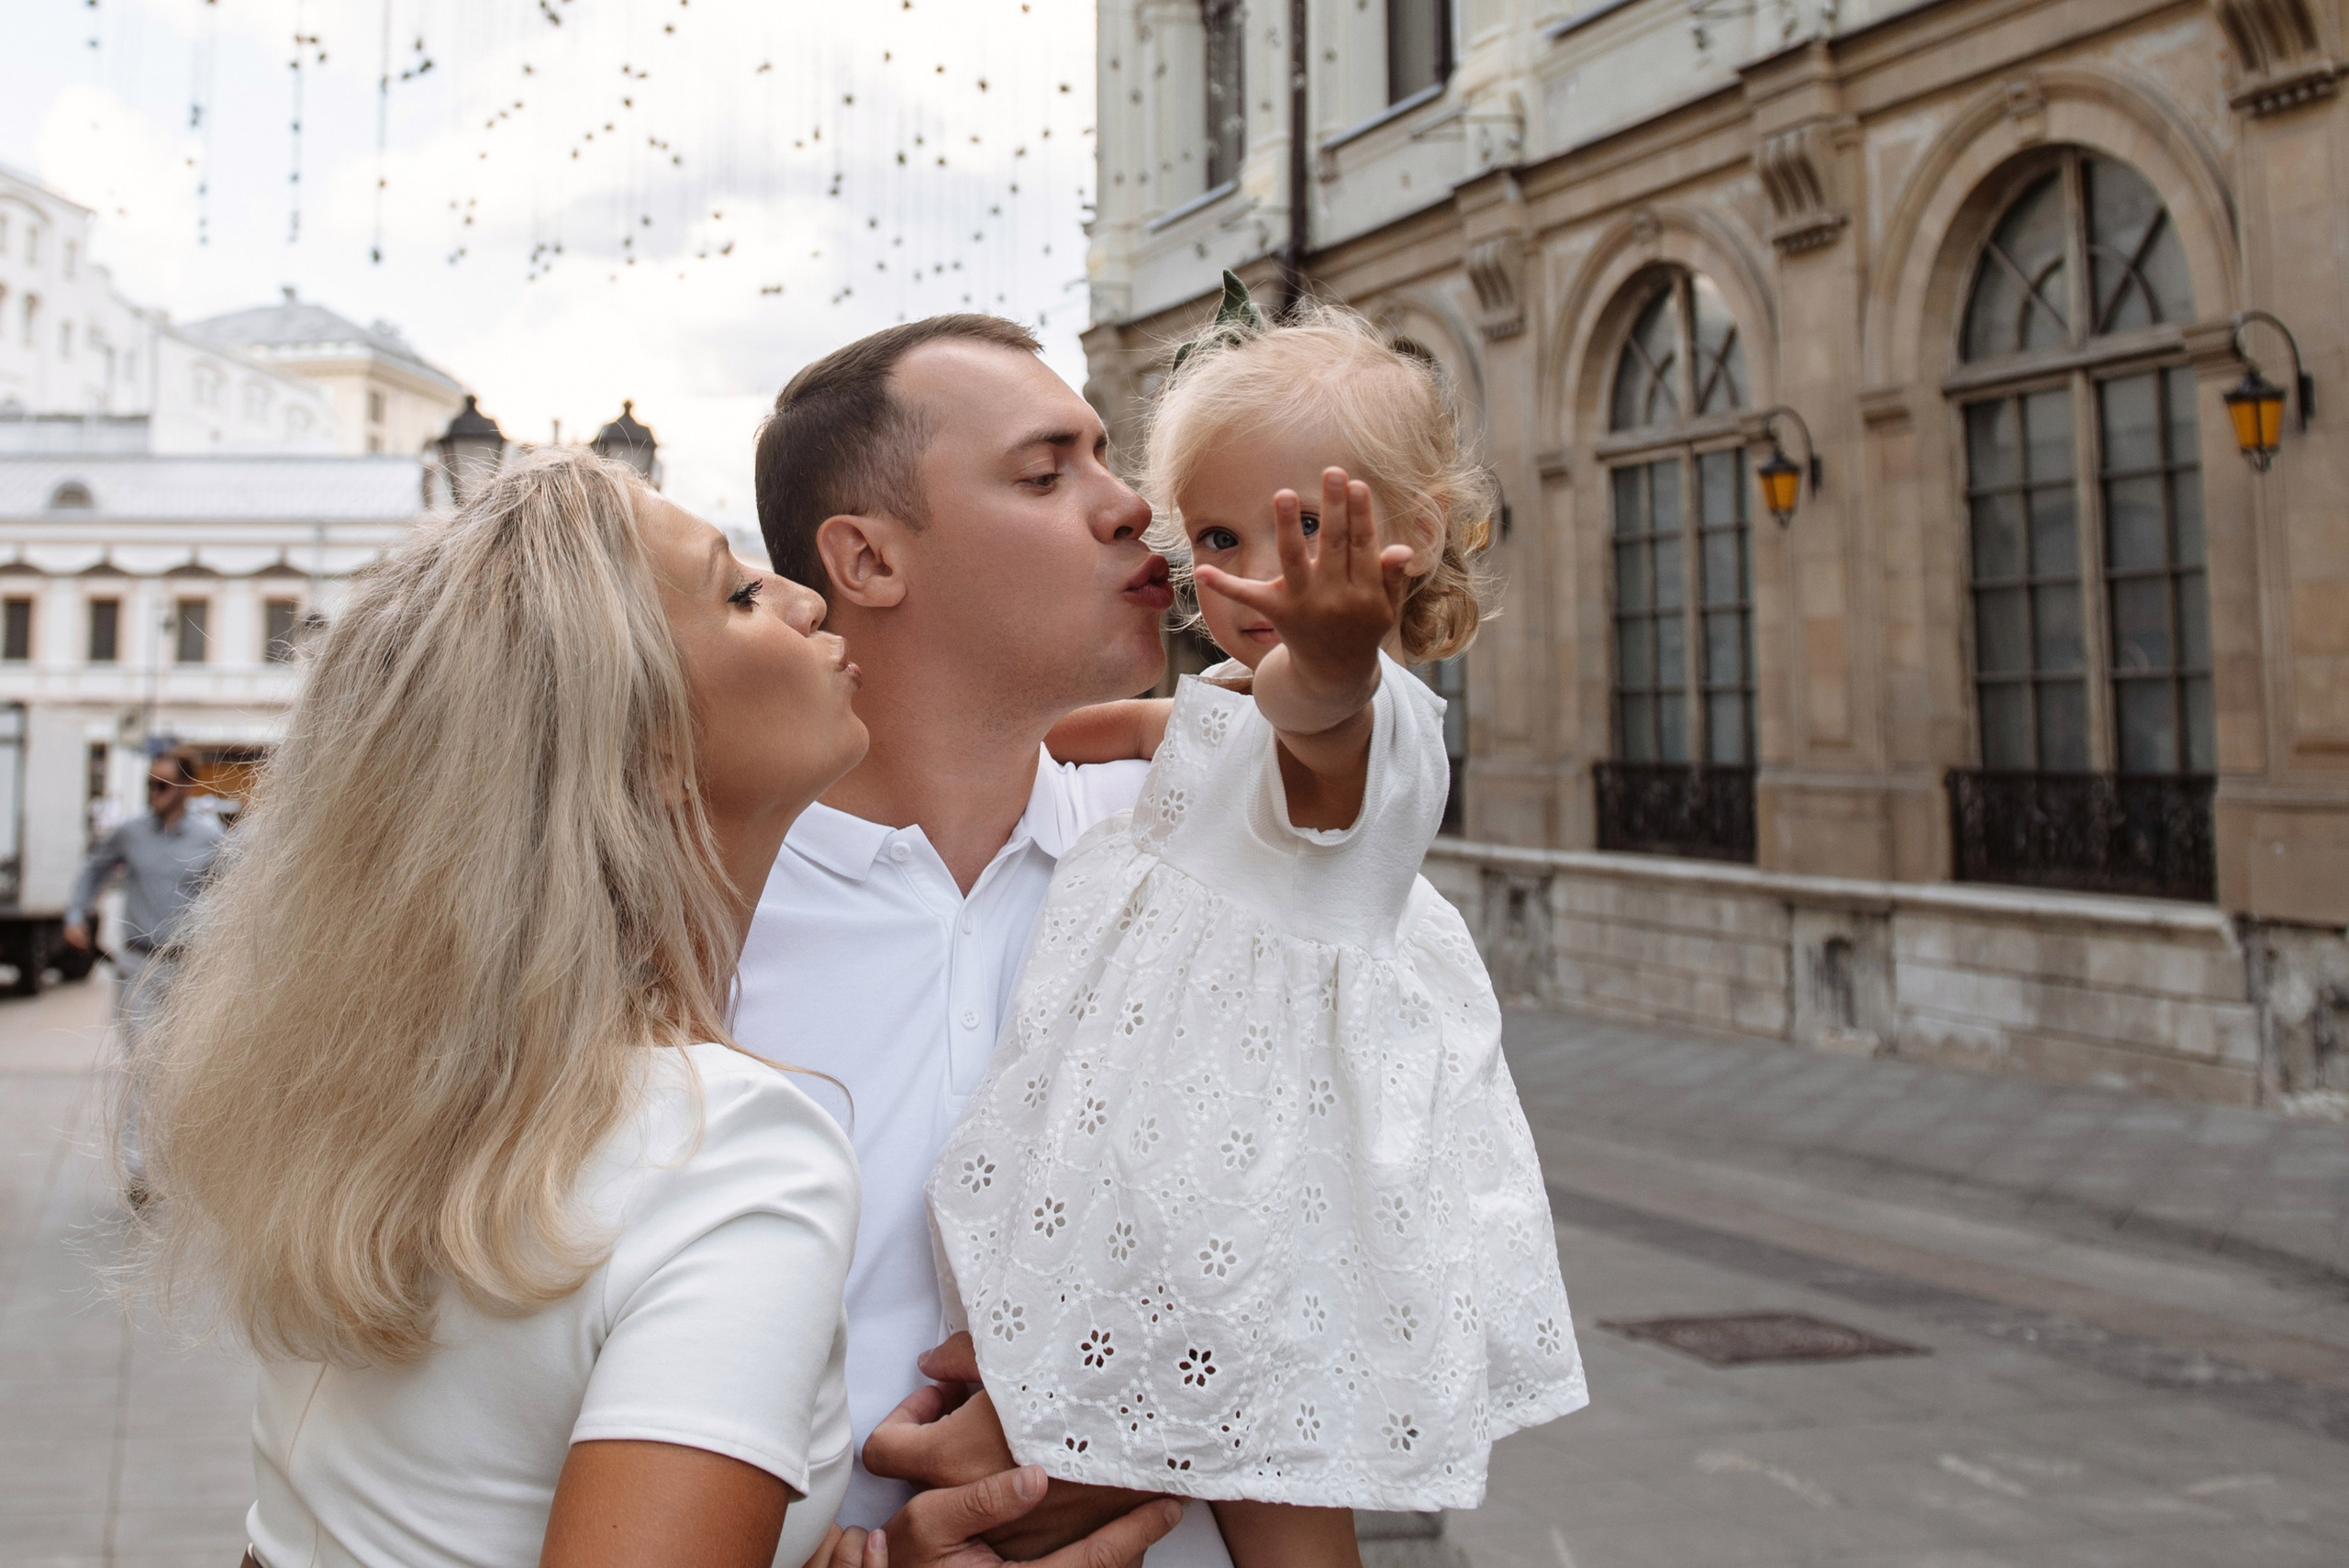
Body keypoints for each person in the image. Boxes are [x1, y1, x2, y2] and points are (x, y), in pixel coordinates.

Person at [133, 450, 1179, 1568]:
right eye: (737, 594)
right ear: (650, 749)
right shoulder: (726, 1149)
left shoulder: (429, 1095)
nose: (802, 596)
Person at [928, 288, 1587, 1563]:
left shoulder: (1374, 717)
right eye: (1219, 532)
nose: (1250, 576)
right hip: (1165, 1156)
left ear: (1414, 536)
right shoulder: (1217, 703)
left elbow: (1317, 715)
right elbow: (1091, 730)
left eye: (1306, 536)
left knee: (1285, 1495)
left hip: (1278, 1180)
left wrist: (1340, 649)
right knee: (1164, 1433)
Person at [739, 317, 1236, 1565]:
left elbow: (1352, 1245)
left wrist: (1123, 1419)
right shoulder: (701, 915)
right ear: (867, 558)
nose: (1131, 508)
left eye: (1109, 459)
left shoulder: (1210, 852)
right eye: (1044, 472)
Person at [65, 750, 225, 1188]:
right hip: (137, 967)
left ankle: (168, 1158)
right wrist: (76, 914)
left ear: (187, 789)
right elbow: (92, 871)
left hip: (186, 970)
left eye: (162, 785)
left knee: (177, 1068)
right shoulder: (129, 834)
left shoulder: (210, 838)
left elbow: (234, 891)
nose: (153, 793)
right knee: (143, 1065)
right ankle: (140, 1173)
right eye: (149, 784)